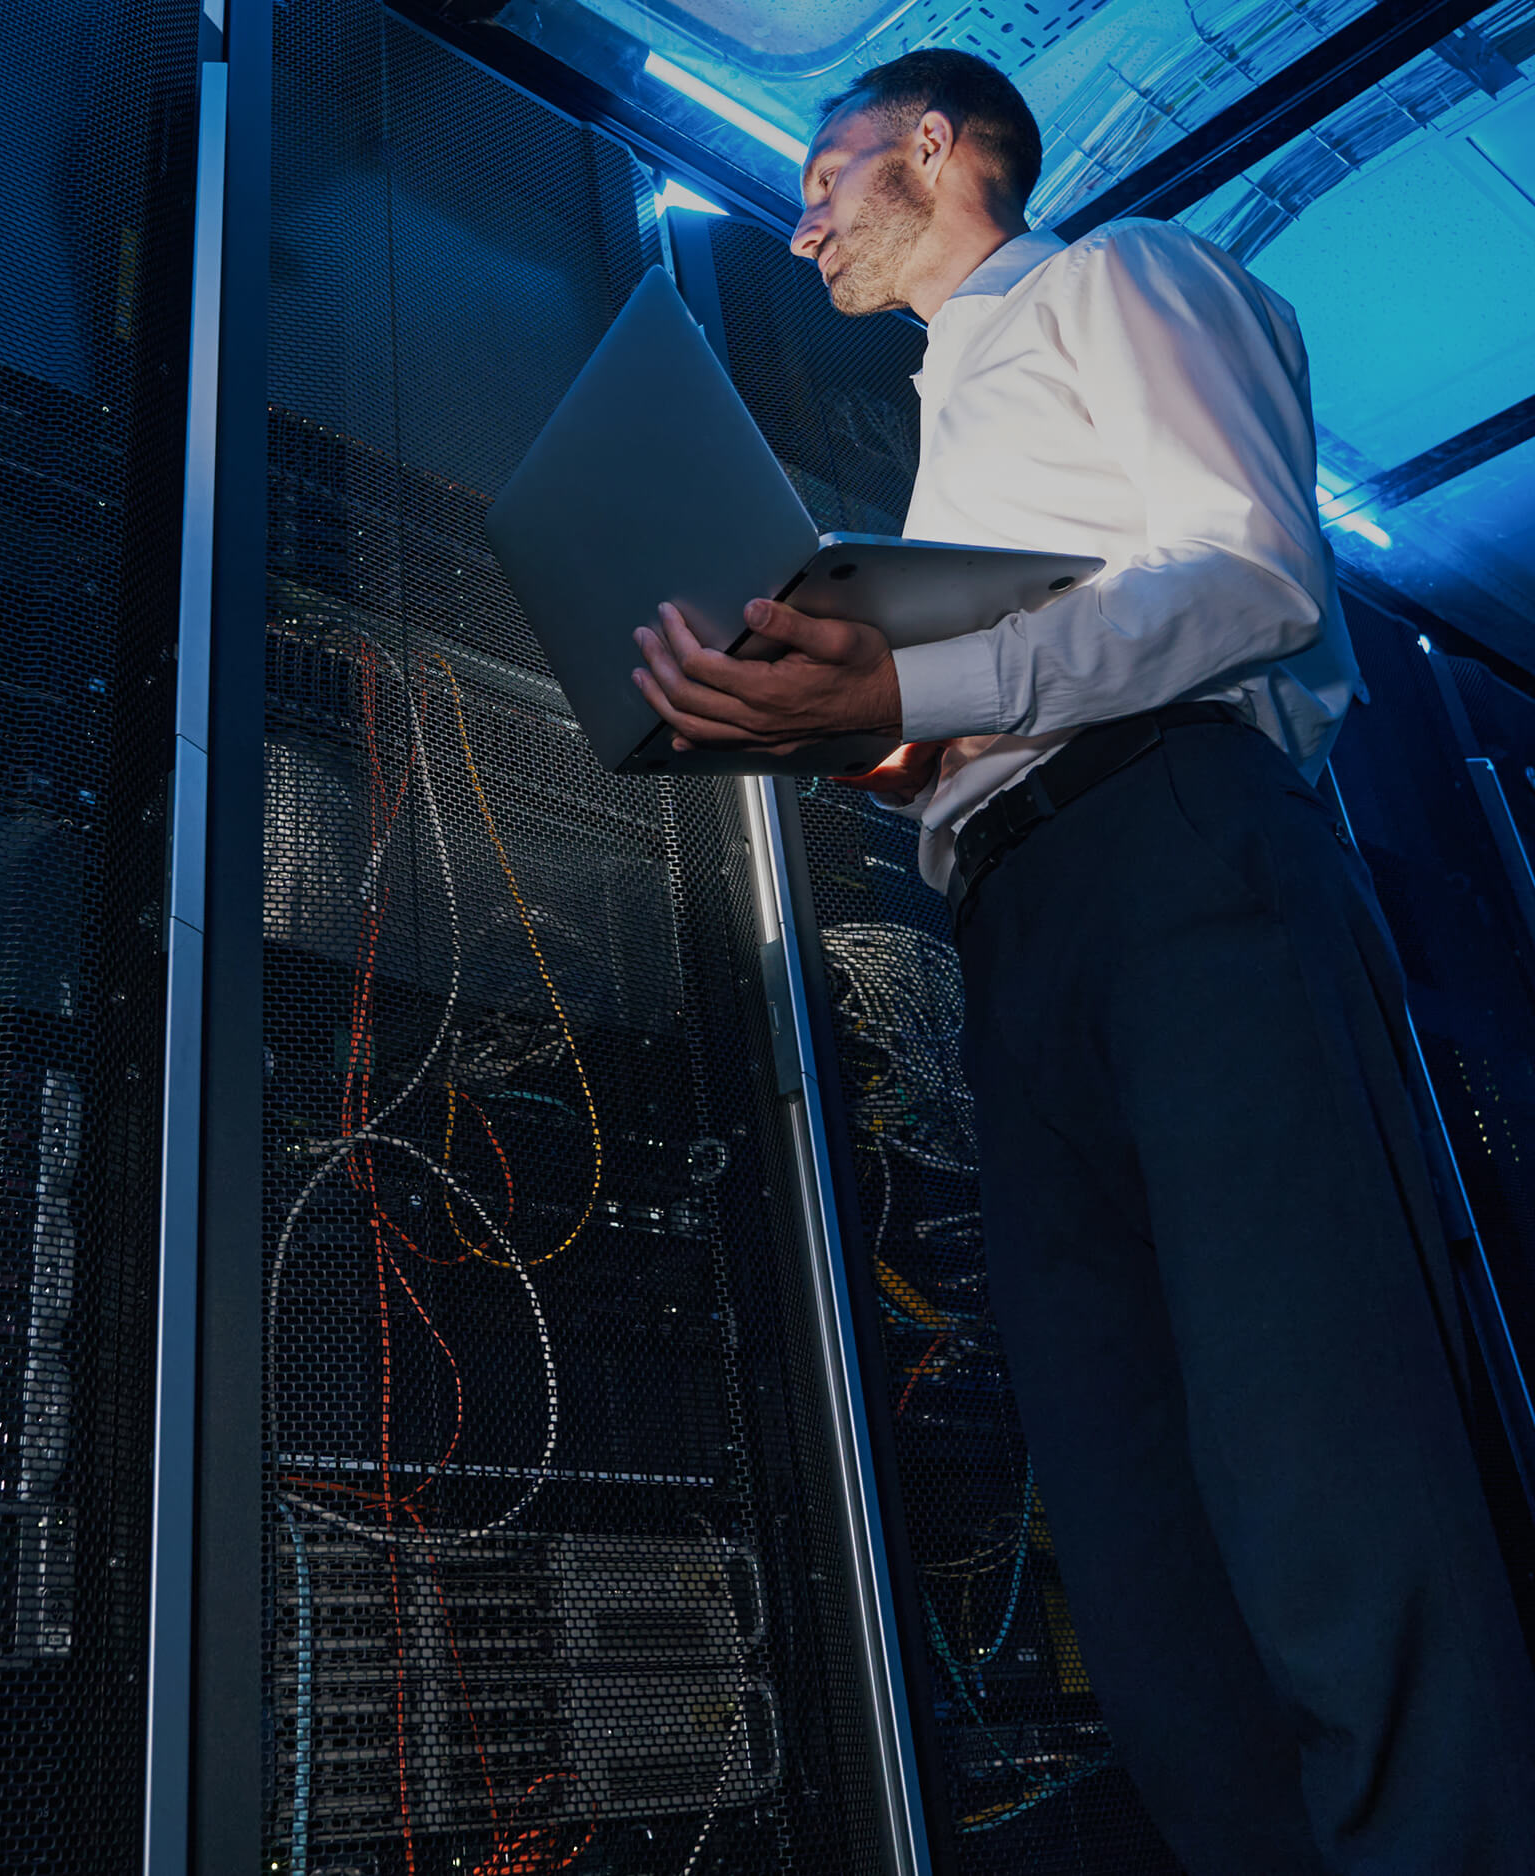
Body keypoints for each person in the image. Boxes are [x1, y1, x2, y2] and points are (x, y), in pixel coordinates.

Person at [628, 47, 1535, 1874]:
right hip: (1018, 923)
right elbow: (999, 698)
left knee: (1320, 1441)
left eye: (827, 174)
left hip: (1188, 855)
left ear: (938, 147)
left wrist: (915, 682)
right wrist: (850, 722)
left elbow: (1256, 573)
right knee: (1131, 1517)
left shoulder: (1122, 278)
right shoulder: (947, 427)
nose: (800, 222)